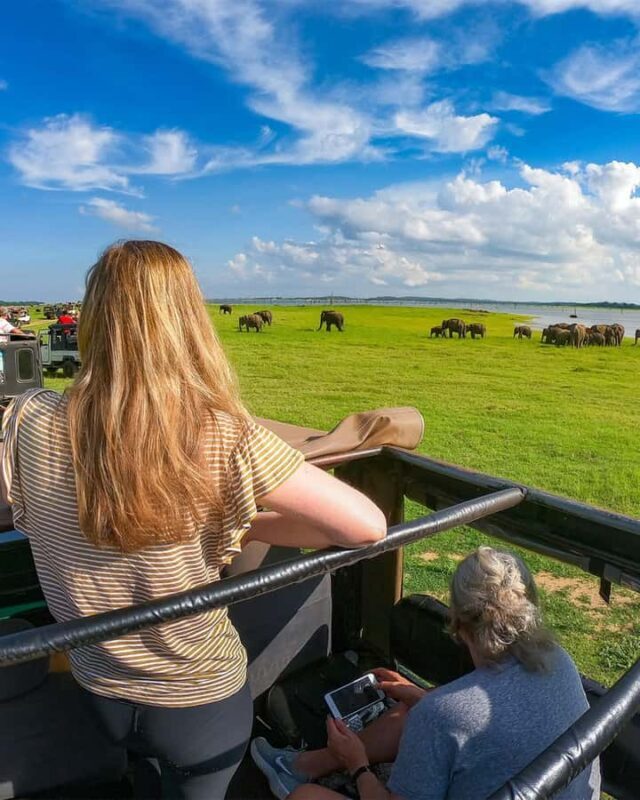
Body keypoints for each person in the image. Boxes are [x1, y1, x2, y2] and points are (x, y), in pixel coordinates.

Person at [0, 240, 386, 800]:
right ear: (187, 321)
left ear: (93, 319)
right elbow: (367, 526)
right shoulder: (223, 432)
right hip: (198, 698)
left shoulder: (29, 420)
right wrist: (247, 524)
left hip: (98, 684)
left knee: (141, 777)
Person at [251, 546, 601, 800]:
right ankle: (303, 764)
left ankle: (303, 776)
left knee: (307, 799)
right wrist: (426, 699)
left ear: (458, 625)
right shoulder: (559, 660)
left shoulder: (442, 715)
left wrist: (356, 765)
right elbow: (502, 713)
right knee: (411, 715)